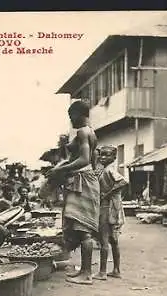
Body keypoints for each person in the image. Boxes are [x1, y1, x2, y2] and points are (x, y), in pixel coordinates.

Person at [45, 100, 100, 285]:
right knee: (78, 227)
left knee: (84, 230)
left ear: (78, 113)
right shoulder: (91, 132)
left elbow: (85, 160)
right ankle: (84, 270)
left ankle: (87, 274)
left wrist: (60, 170)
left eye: (71, 116)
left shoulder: (84, 132)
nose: (71, 121)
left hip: (82, 181)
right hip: (84, 180)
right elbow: (92, 161)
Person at [92, 145, 128, 280]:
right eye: (101, 154)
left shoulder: (109, 170)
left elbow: (123, 182)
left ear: (114, 158)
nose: (103, 157)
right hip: (110, 207)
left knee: (104, 240)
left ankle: (102, 272)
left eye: (107, 155)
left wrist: (107, 193)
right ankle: (116, 270)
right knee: (113, 240)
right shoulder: (103, 171)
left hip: (107, 208)